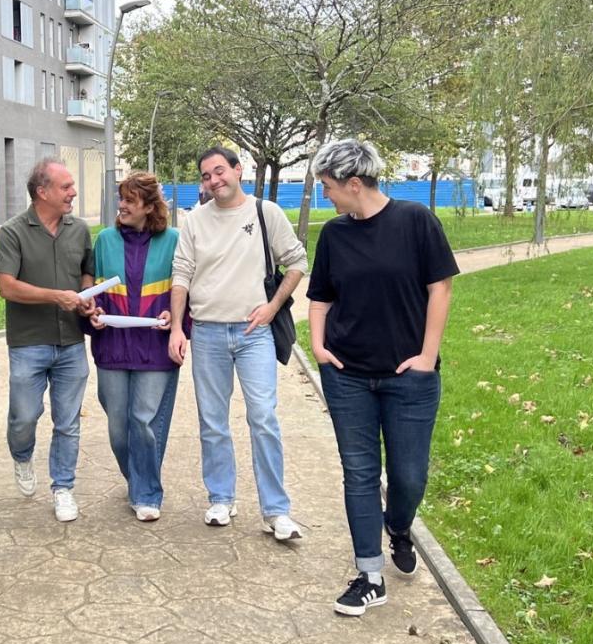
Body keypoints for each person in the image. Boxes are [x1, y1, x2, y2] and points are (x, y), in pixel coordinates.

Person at [307, 139, 458, 616]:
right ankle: (369, 575)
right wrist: (317, 346)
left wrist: (427, 356)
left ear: (354, 184)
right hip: (347, 376)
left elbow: (441, 287)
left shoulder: (416, 221)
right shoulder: (334, 234)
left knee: (410, 477)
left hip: (409, 377)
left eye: (329, 188)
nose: (326, 196)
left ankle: (399, 526)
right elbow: (320, 296)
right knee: (360, 473)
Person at [169, 146, 307, 541]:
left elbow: (296, 262)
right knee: (212, 421)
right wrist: (178, 328)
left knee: (263, 417)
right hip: (208, 331)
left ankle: (277, 511)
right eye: (206, 176)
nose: (214, 181)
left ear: (237, 170)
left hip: (254, 333)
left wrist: (272, 306)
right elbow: (182, 274)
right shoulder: (195, 221)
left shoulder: (266, 214)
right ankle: (220, 497)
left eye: (219, 171)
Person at [0, 158, 97, 522]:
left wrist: (87, 296)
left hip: (71, 341)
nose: (73, 192)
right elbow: (6, 286)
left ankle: (63, 487)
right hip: (28, 343)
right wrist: (58, 296)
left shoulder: (79, 229)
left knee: (68, 421)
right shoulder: (12, 231)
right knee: (24, 416)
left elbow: (87, 271)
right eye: (66, 186)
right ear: (42, 192)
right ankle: (22, 458)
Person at [86, 172, 185, 522]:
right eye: (121, 199)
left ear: (148, 205)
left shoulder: (174, 240)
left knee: (143, 420)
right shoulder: (105, 241)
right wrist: (93, 314)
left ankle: (146, 493)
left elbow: (185, 290)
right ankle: (139, 479)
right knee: (118, 428)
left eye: (130, 199)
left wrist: (175, 319)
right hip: (112, 345)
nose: (122, 205)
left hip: (155, 347)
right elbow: (94, 294)